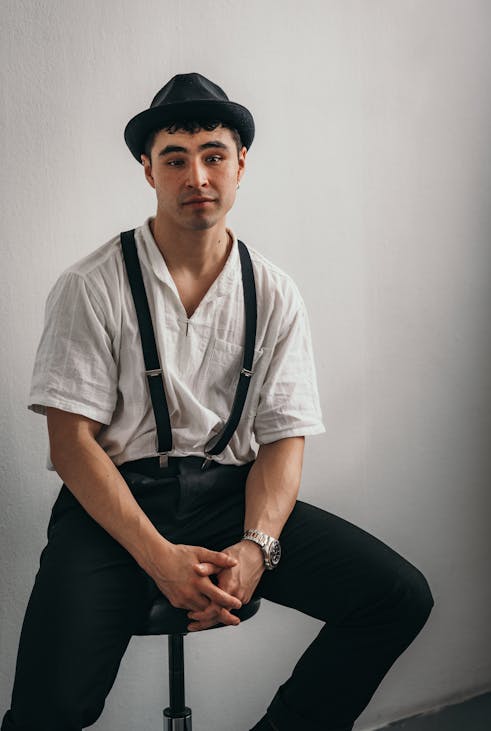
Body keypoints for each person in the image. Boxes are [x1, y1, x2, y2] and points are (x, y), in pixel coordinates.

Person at [2, 73, 434, 731]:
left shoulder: (274, 291)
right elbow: (71, 444)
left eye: (213, 155)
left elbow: (285, 439)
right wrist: (158, 556)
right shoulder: (92, 285)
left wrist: (258, 547)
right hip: (114, 508)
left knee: (396, 596)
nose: (196, 174)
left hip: (228, 497)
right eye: (175, 158)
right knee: (48, 711)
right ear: (148, 170)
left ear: (240, 167)